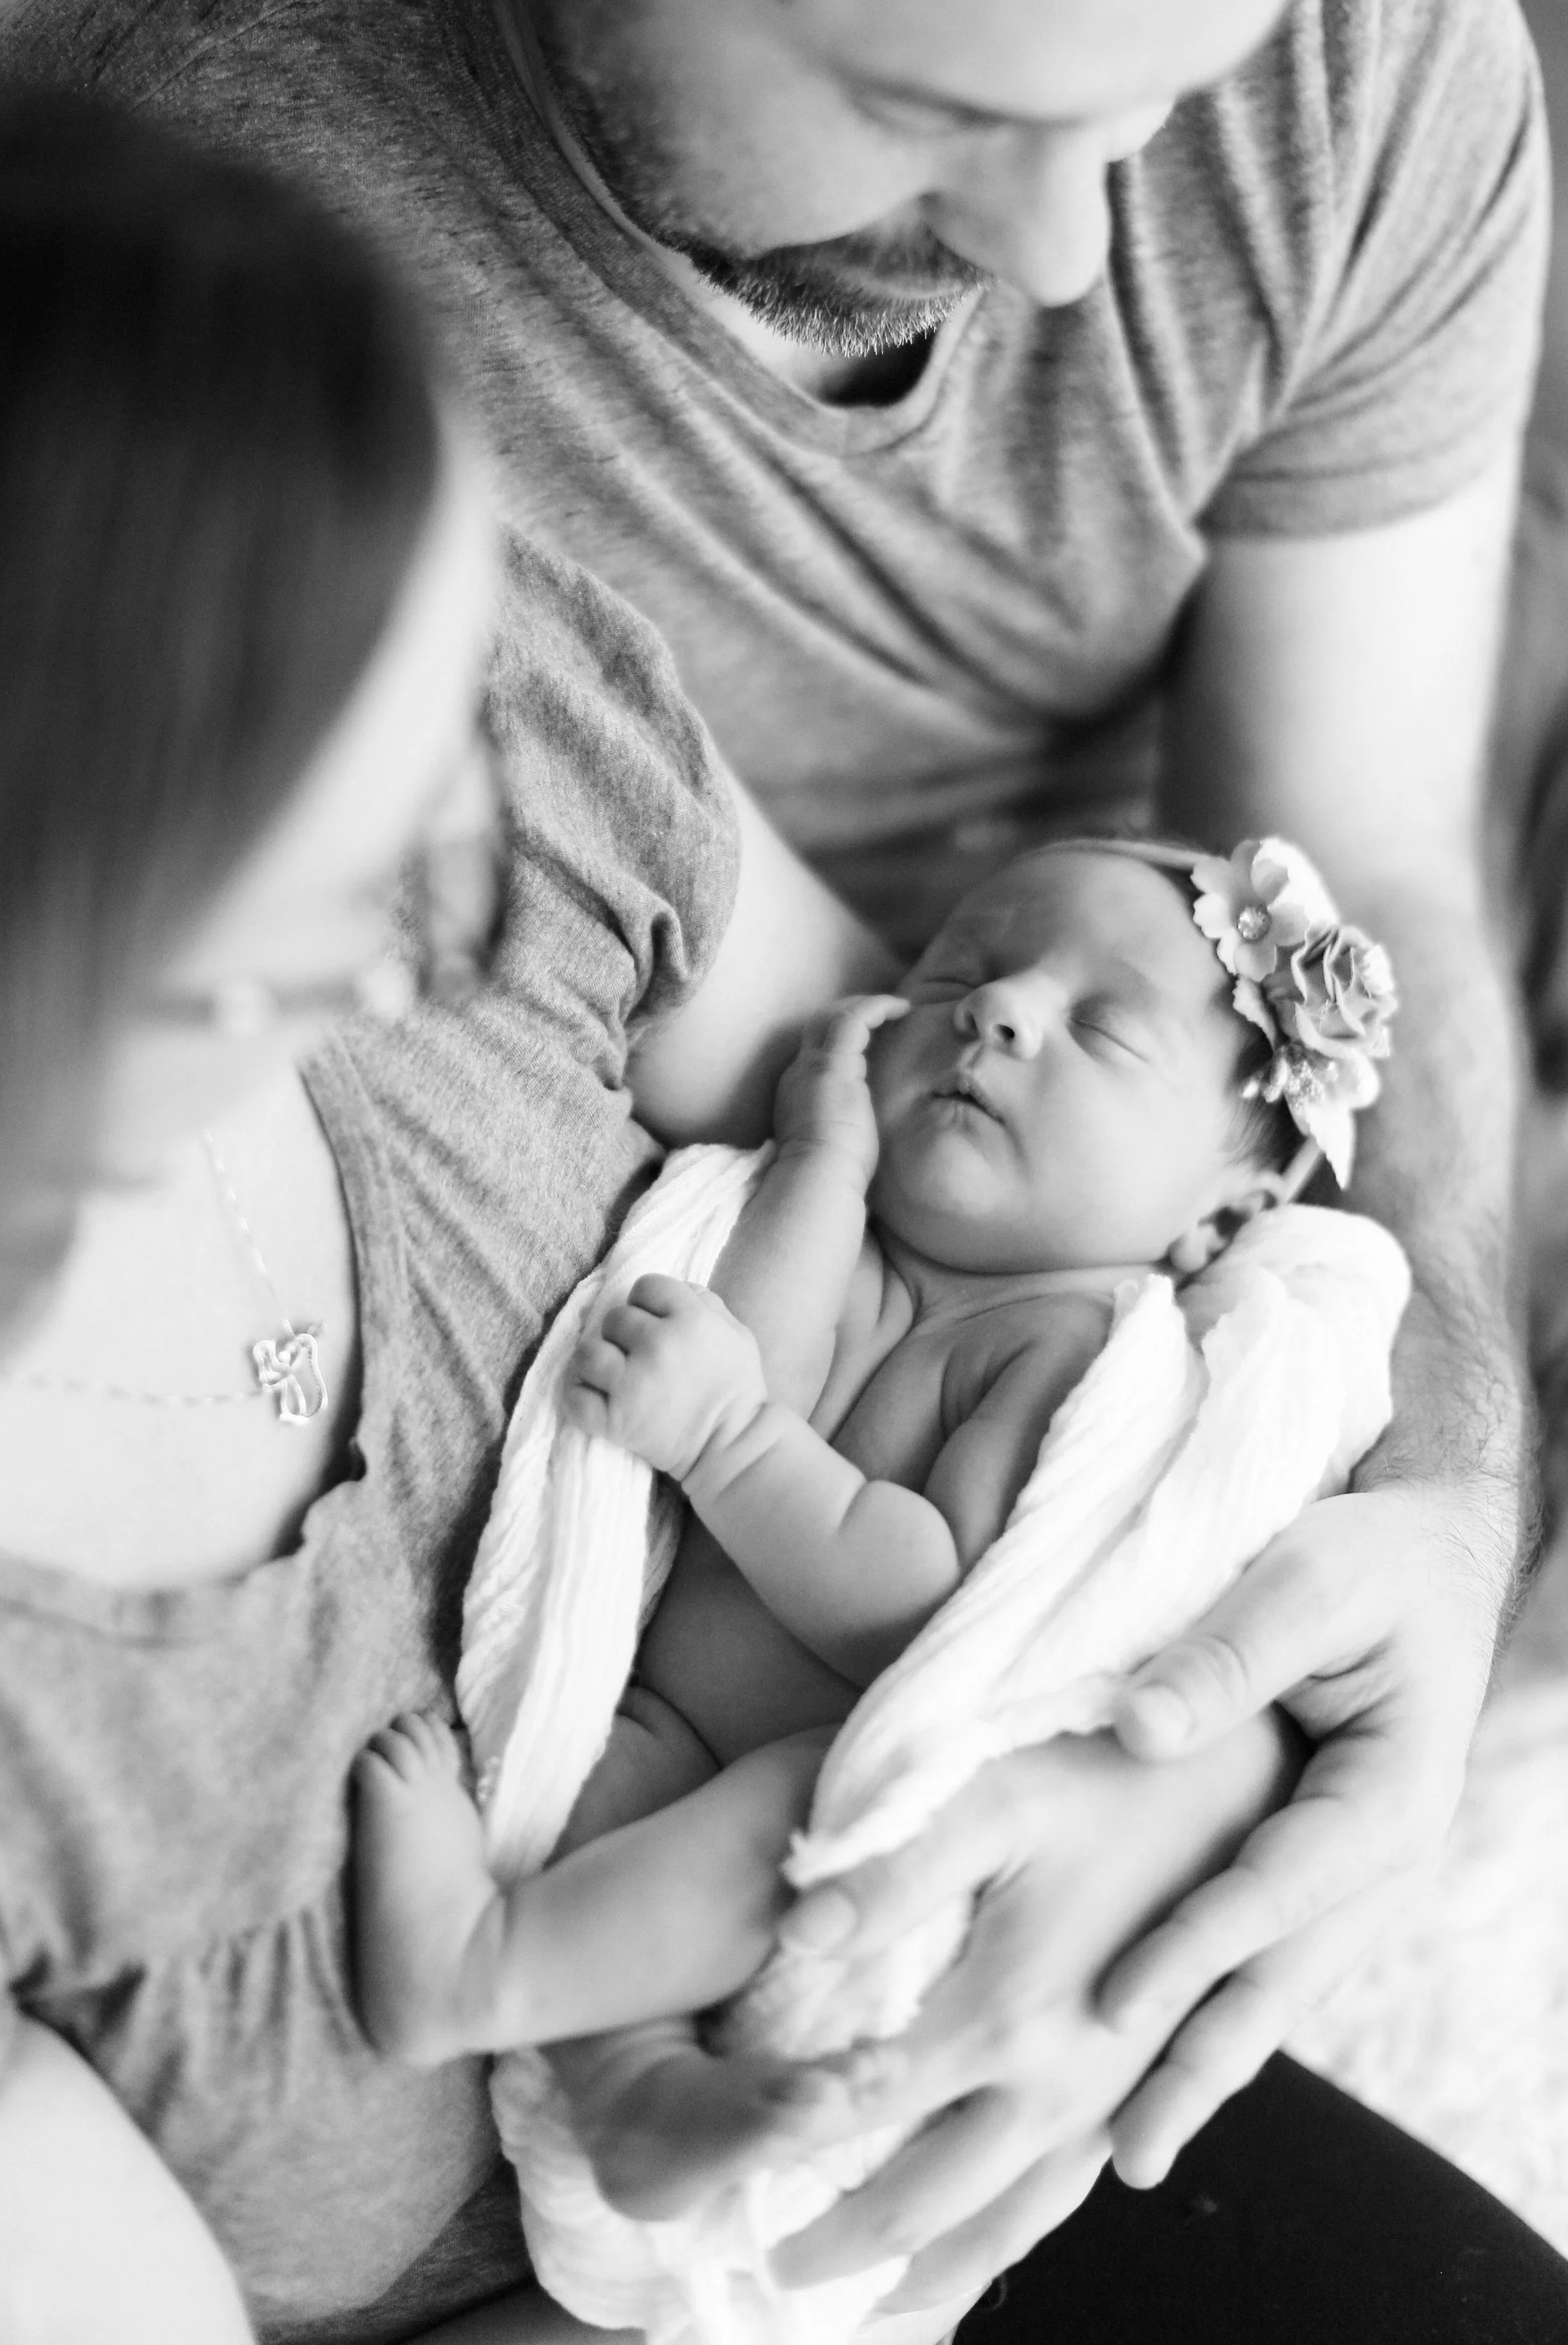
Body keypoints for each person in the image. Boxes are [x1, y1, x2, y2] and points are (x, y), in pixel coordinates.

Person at [0, 0, 1568, 2290]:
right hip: (942, 1188)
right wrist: (1067, 1668)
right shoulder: (222, 362)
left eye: (1161, 83)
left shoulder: (1345, 30)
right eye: (936, 102)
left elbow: (1355, 851)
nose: (1062, 257)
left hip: (1297, 890)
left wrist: (1423, 1512)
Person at [0, 58, 1568, 2341]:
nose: (450, 931)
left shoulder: (437, 657)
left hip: (938, 2055)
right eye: (337, 894)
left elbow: (944, 1173)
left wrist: (1144, 1761)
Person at [351, 835, 1399, 2091]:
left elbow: (913, 1596)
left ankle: (473, 1968)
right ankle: (635, 2087)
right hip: (660, 1712)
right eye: (961, 976)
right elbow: (755, 1358)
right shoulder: (856, 1242)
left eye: (1106, 1032)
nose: (1000, 1011)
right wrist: (824, 1162)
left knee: (784, 1829)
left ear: (1218, 1223)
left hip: (817, 1759)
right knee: (596, 1850)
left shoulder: (1072, 1342)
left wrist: (730, 1439)